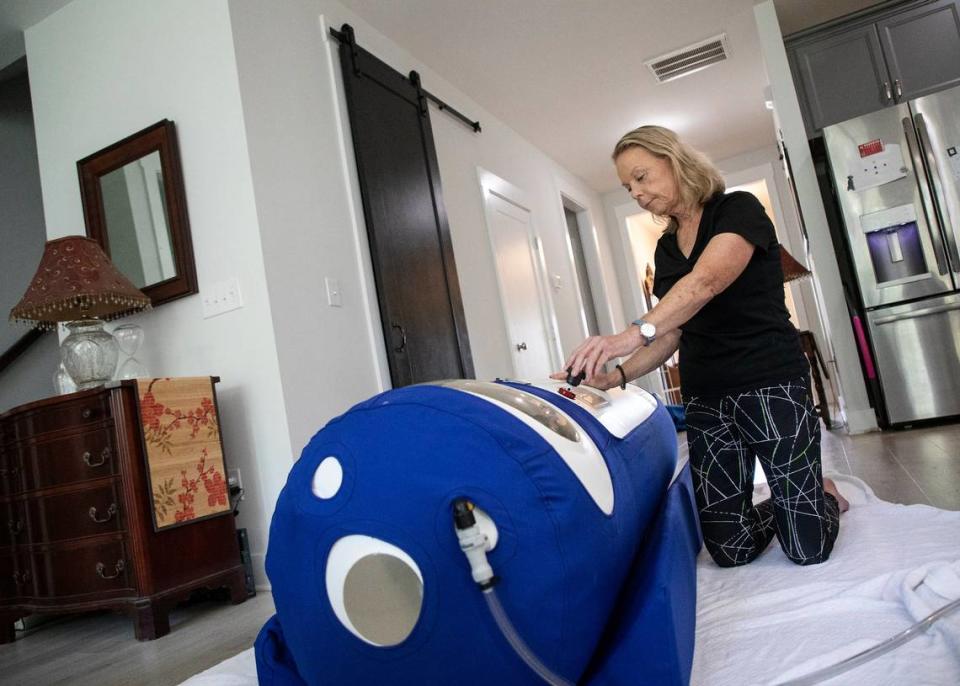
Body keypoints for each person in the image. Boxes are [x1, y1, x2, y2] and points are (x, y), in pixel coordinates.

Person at [554, 125, 848, 567]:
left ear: (675, 163)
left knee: (807, 549)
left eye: (641, 176)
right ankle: (791, 503)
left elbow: (707, 281)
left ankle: (818, 494)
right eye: (627, 185)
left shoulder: (738, 210)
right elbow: (671, 331)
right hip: (707, 397)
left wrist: (629, 334)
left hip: (771, 384)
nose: (635, 191)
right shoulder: (667, 249)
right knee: (730, 550)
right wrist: (613, 377)